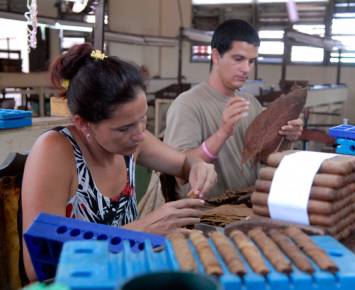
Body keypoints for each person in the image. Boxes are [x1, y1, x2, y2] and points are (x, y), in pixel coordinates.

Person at [20, 43, 217, 282]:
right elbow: (37, 267)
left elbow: (185, 161)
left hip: (123, 276)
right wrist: (142, 229)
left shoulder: (132, 143)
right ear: (84, 123)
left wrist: (199, 167)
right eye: (124, 128)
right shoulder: (56, 152)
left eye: (143, 118)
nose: (140, 134)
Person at [163, 19, 303, 198]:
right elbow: (178, 171)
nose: (246, 68)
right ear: (215, 56)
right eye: (238, 59)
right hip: (204, 216)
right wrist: (223, 133)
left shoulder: (250, 103)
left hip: (242, 208)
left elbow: (262, 157)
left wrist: (287, 137)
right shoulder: (188, 105)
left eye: (251, 61)